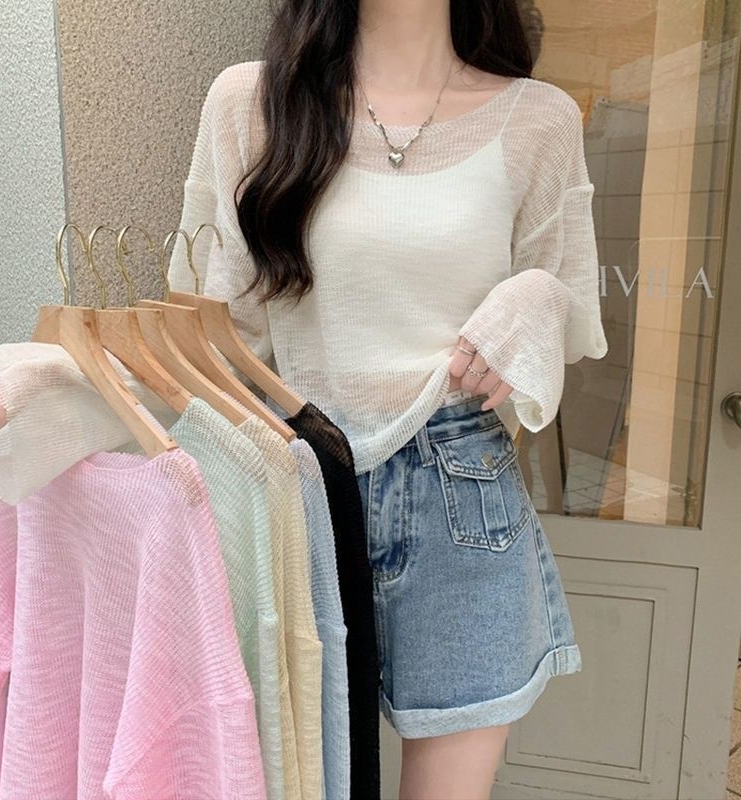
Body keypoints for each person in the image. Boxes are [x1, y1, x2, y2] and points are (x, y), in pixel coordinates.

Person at [168, 1, 608, 798]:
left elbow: (571, 306)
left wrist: (538, 298)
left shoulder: (538, 119)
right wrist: (46, 389)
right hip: (295, 487)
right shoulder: (249, 103)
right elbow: (206, 337)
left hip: (461, 489)